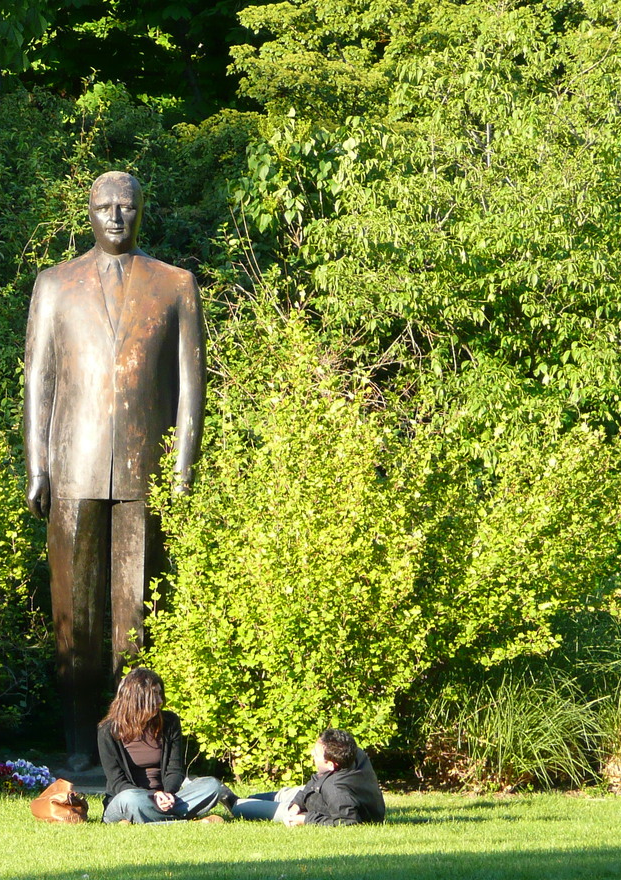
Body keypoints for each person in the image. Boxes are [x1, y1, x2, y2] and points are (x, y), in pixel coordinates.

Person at [24, 171, 206, 768]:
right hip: (71, 467)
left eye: (125, 207)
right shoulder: (54, 284)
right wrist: (37, 465)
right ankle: (79, 748)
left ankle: (135, 752)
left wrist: (181, 469)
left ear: (141, 211)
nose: (115, 217)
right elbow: (39, 384)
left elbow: (190, 386)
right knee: (74, 622)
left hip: (144, 473)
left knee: (137, 621)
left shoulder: (175, 285)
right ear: (88, 211)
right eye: (104, 206)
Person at [97, 668, 227, 824]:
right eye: (154, 696)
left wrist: (167, 794)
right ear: (135, 699)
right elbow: (117, 782)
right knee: (130, 799)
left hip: (168, 799)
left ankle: (145, 819)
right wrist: (153, 796)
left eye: (160, 694)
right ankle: (186, 822)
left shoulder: (170, 722)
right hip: (131, 799)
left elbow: (175, 769)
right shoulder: (108, 731)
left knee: (211, 786)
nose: (160, 701)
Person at [224, 728, 387, 826]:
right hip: (313, 795)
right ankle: (257, 798)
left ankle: (232, 800)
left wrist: (305, 818)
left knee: (239, 807)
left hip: (315, 807)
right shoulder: (354, 754)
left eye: (316, 754)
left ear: (331, 765)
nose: (311, 754)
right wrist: (297, 802)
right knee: (282, 794)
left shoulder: (337, 792)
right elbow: (317, 779)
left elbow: (347, 822)